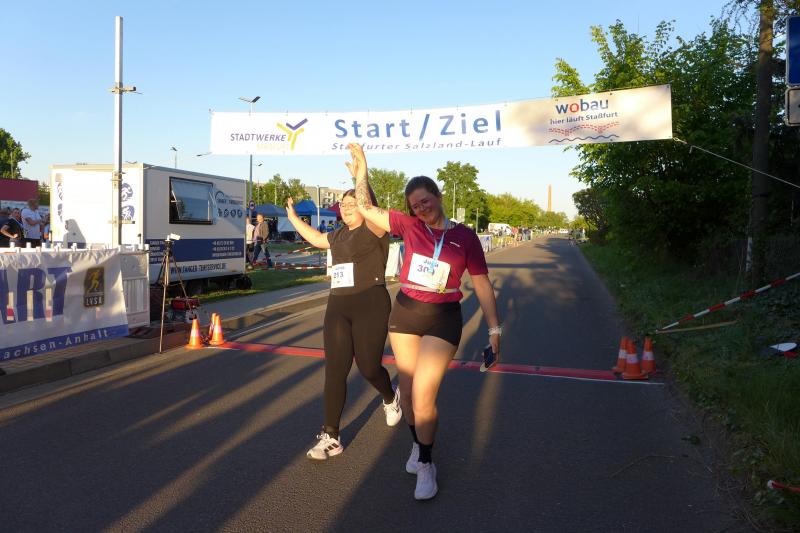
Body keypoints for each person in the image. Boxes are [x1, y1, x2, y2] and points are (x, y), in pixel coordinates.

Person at [349, 143, 502, 500]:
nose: (421, 209)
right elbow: (365, 208)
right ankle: (418, 446)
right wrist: (362, 173)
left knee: (422, 395)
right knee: (407, 390)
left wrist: (494, 329)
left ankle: (427, 463)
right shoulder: (409, 225)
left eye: (425, 201)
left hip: (442, 318)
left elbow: (481, 284)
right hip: (405, 312)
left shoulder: (465, 237)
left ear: (438, 196)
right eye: (415, 205)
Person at [285, 186, 402, 461]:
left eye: (352, 204)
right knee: (335, 370)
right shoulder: (338, 234)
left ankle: (390, 397)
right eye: (343, 204)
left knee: (369, 367)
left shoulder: (374, 229)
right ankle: (331, 436)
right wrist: (293, 218)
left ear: (364, 207)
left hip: (370, 304)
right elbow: (316, 238)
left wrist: (361, 172)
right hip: (338, 306)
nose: (346, 208)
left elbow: (368, 206)